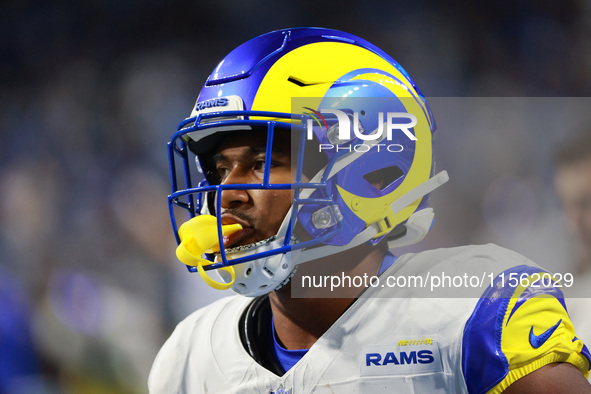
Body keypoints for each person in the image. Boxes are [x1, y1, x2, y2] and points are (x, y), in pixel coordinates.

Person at [149, 28, 591, 393]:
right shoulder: (191, 354)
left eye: (263, 164)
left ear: (370, 170)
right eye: (222, 169)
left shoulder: (471, 312)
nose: (227, 194)